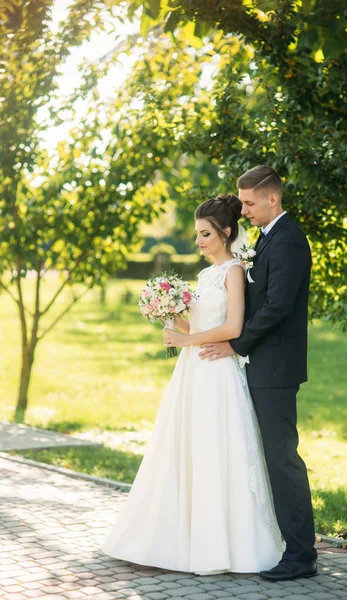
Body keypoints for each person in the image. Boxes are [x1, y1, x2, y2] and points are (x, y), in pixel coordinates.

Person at [102, 193, 284, 575]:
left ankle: (222, 545)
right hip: (192, 371)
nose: (198, 241)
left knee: (216, 448)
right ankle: (176, 540)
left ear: (225, 232)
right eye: (197, 233)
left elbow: (233, 326)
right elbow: (201, 325)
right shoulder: (203, 275)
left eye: (205, 234)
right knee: (185, 446)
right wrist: (169, 313)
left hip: (217, 372)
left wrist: (187, 339)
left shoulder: (234, 270)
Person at [199, 166, 318, 581]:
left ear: (272, 198)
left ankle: (301, 556)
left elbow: (278, 307)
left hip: (276, 368)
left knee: (282, 459)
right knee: (271, 458)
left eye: (249, 203)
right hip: (261, 366)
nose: (244, 210)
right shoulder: (266, 240)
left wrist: (235, 343)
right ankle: (288, 544)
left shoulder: (288, 241)